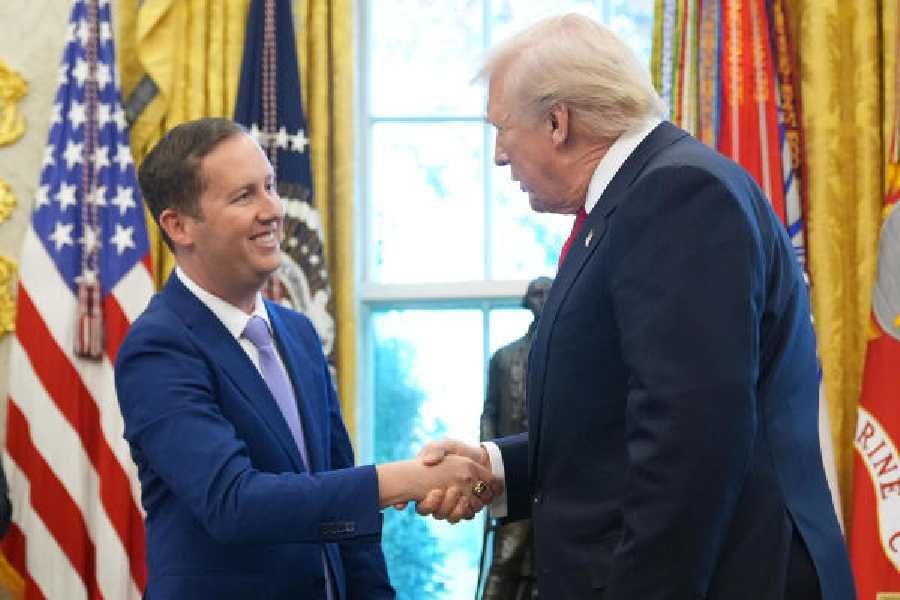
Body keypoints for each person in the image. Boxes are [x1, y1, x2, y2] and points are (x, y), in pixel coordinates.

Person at [417, 14, 855, 600]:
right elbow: (622, 425)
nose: (498, 156)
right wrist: (493, 469)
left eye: (502, 128)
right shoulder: (638, 197)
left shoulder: (677, 196)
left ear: (557, 122)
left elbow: (688, 445)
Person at [115, 117, 498, 600]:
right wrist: (405, 479)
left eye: (270, 186)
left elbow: (346, 513)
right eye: (244, 196)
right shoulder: (158, 347)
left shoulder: (297, 333)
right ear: (179, 226)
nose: (273, 209)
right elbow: (233, 502)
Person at [478, 276, 551, 600]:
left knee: (548, 562)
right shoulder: (503, 357)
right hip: (509, 472)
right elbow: (489, 412)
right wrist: (487, 461)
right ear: (526, 301)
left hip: (555, 473)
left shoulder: (566, 358)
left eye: (548, 293)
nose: (542, 300)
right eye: (536, 294)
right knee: (506, 556)